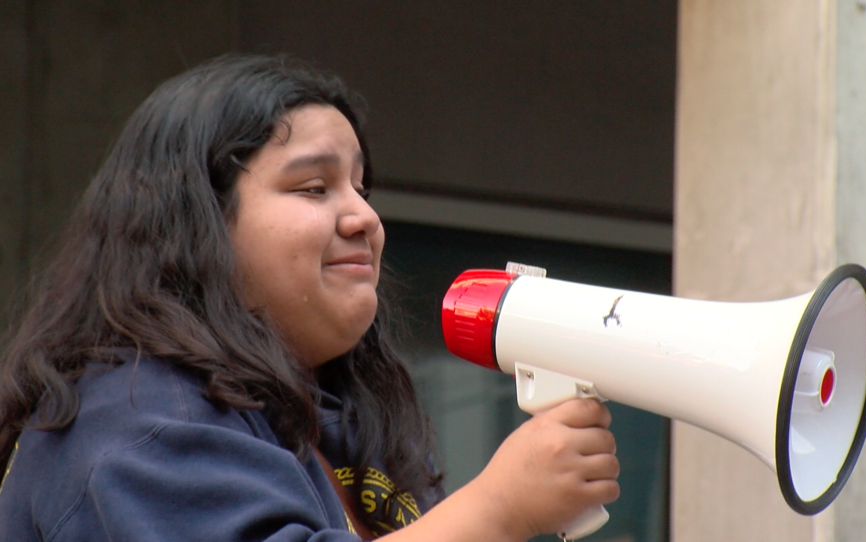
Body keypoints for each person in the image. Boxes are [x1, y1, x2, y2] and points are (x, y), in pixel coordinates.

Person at [0, 54, 619, 541]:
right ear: (199, 221)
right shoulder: (140, 421)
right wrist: (502, 506)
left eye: (361, 187)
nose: (364, 218)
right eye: (315, 187)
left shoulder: (341, 427)